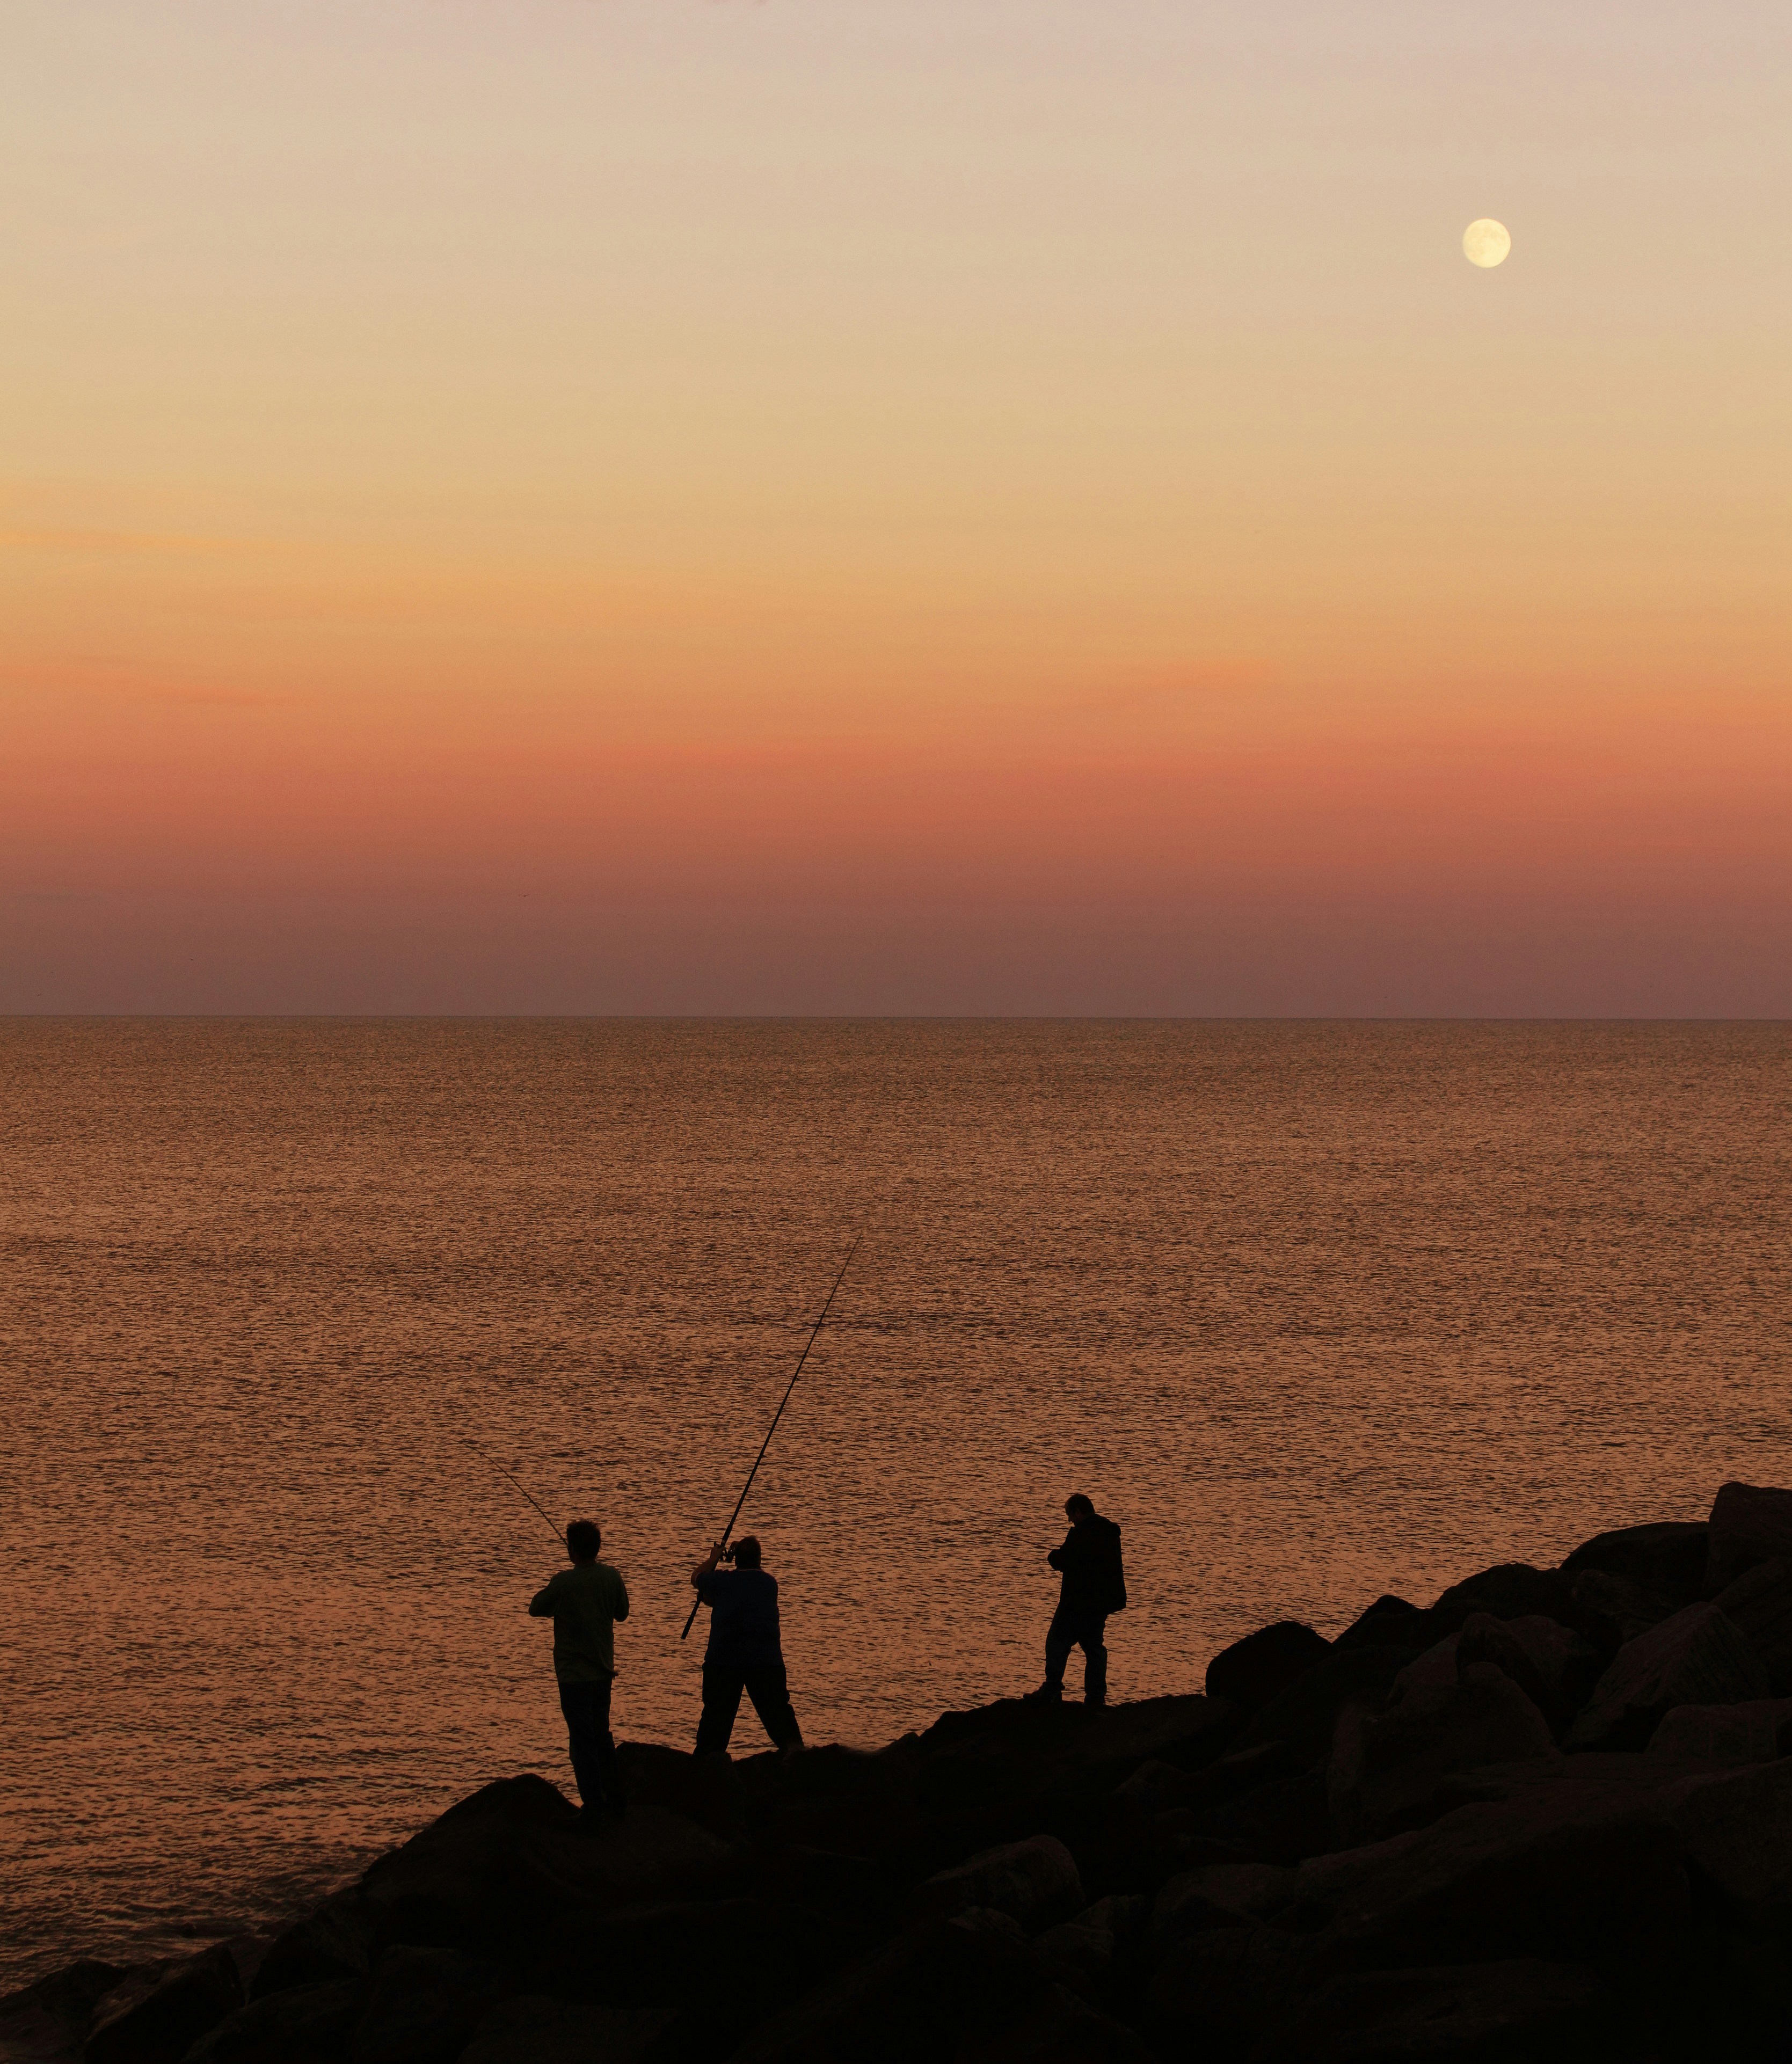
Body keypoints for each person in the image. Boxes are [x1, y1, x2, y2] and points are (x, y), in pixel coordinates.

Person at [529, 1519, 629, 1823]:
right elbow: (622, 1613)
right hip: (603, 1673)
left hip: (573, 1676)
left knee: (581, 1741)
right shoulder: (612, 1577)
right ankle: (616, 1800)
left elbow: (536, 1608)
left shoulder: (563, 1583)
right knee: (601, 1735)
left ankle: (593, 1805)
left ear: (572, 1550)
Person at [689, 1535, 804, 1756]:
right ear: (760, 1559)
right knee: (780, 1717)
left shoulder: (723, 1582)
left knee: (715, 1722)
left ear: (736, 1560)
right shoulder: (770, 1584)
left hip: (724, 1661)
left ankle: (706, 1769)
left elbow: (697, 1578)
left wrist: (714, 1558)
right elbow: (738, 1597)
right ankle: (799, 1760)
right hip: (765, 1662)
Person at [1027, 1493, 1126, 1706]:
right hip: (1099, 1604)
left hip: (1076, 1603)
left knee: (1056, 1643)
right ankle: (1096, 1697)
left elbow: (1064, 1560)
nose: (1069, 1520)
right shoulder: (1109, 1532)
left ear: (1079, 1511)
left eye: (1069, 1515)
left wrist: (1052, 1556)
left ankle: (1052, 1688)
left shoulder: (1081, 1534)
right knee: (1094, 1649)